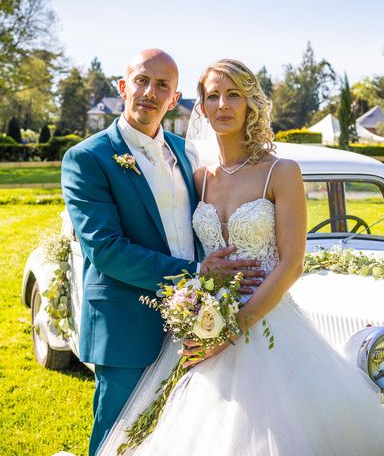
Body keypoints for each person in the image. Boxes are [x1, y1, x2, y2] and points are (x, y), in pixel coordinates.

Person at [98, 59, 384, 455]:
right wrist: (199, 316)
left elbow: (292, 264)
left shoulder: (281, 172)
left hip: (268, 325)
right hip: (203, 326)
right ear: (200, 108)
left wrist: (232, 329)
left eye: (234, 94)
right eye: (212, 96)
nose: (222, 104)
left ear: (251, 104)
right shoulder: (199, 178)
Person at [61, 50, 264, 456]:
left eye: (163, 86)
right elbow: (106, 250)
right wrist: (196, 273)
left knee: (183, 437)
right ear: (123, 87)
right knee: (119, 439)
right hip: (126, 324)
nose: (150, 92)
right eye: (142, 81)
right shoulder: (87, 158)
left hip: (196, 324)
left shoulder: (185, 152)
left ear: (175, 99)